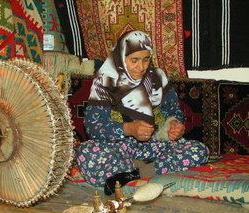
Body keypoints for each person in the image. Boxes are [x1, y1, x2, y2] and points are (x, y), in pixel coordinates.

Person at [76, 30, 209, 195]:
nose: (141, 67)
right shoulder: (105, 82)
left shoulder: (157, 77)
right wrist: (129, 129)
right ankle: (148, 166)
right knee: (86, 154)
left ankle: (135, 173)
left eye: (146, 60)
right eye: (134, 60)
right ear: (120, 57)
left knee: (199, 151)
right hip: (119, 147)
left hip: (155, 145)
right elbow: (93, 127)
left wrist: (174, 125)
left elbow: (174, 111)